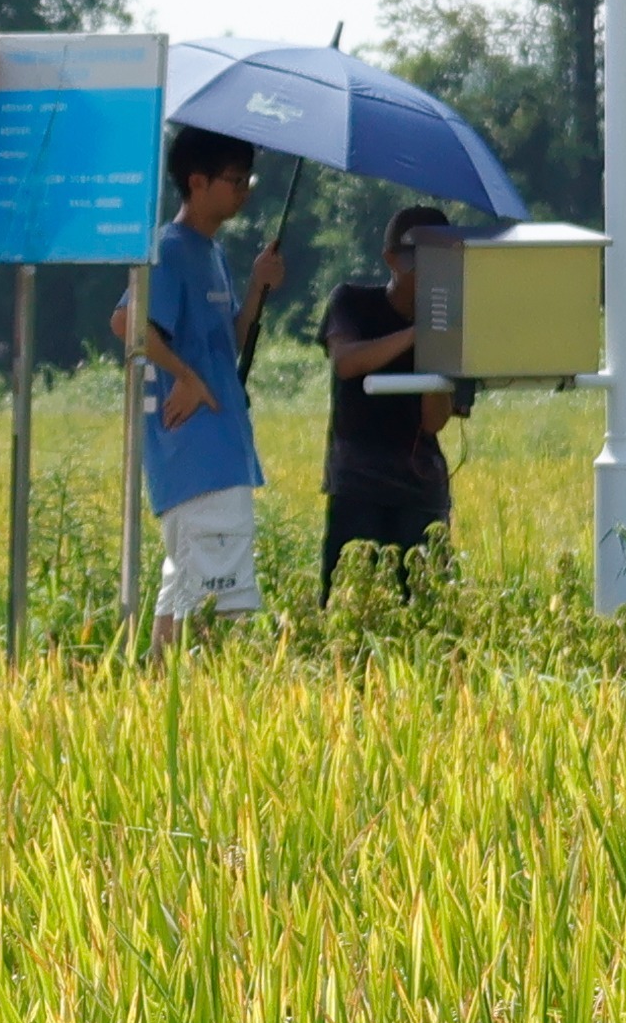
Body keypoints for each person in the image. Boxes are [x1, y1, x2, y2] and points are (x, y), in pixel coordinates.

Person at [117, 128, 285, 653]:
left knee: (204, 583)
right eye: (235, 180)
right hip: (194, 450)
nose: (244, 192)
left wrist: (257, 288)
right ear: (197, 182)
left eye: (247, 180)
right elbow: (129, 323)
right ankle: (174, 693)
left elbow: (227, 346)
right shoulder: (169, 248)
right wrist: (188, 379)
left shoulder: (210, 253)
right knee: (202, 585)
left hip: (223, 447)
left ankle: (178, 691)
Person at [320, 203, 469, 594]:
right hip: (358, 483)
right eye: (417, 262)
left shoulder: (451, 323)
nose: (428, 273)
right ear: (391, 260)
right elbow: (347, 361)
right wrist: (416, 332)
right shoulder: (352, 302)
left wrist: (437, 344)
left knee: (426, 602)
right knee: (350, 600)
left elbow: (434, 420)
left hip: (420, 490)